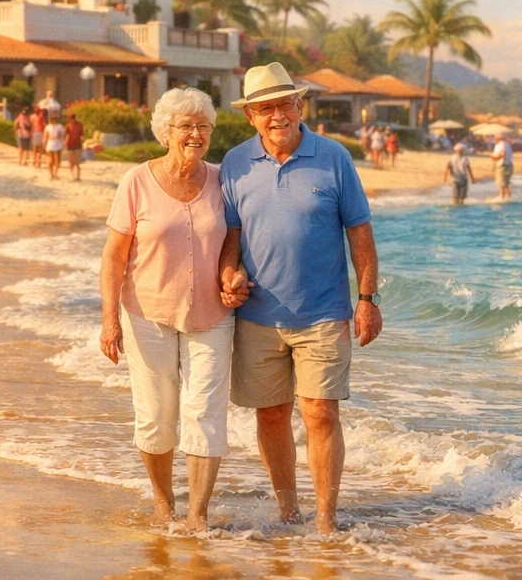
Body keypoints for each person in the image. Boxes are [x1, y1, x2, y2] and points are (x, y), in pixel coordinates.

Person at [219, 63, 381, 534]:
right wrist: (229, 272)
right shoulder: (235, 163)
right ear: (250, 115)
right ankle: (289, 513)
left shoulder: (334, 158)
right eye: (265, 108)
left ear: (299, 106)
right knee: (271, 415)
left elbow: (360, 233)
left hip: (324, 313)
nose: (277, 116)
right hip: (257, 316)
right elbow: (232, 237)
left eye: (284, 104)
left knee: (320, 411)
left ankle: (327, 518)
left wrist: (367, 298)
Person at [99, 87, 240, 531]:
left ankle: (197, 514)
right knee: (158, 416)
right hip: (146, 313)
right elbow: (113, 257)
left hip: (212, 315)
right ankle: (164, 503)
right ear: (166, 132)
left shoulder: (222, 180)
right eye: (186, 126)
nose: (196, 134)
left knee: (205, 413)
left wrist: (230, 272)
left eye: (204, 126)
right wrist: (108, 321)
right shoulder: (136, 182)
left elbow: (233, 238)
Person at [44, 113, 66, 181]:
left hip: (58, 143)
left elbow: (62, 135)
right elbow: (45, 135)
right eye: (52, 119)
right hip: (50, 143)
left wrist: (63, 143)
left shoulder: (60, 126)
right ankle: (51, 174)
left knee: (57, 161)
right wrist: (44, 143)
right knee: (51, 160)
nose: (53, 120)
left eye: (55, 118)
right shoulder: (48, 127)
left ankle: (55, 173)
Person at [490, 135, 514, 199]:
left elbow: (502, 155)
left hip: (501, 166)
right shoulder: (508, 145)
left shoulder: (499, 145)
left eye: (495, 137)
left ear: (497, 138)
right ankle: (510, 199)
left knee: (501, 186)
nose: (494, 138)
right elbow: (510, 155)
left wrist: (492, 157)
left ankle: (501, 200)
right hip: (509, 166)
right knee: (506, 186)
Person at [65, 111, 85, 182]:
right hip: (72, 145)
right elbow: (66, 135)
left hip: (76, 145)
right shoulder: (69, 125)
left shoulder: (77, 125)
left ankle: (76, 176)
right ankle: (74, 176)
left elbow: (81, 135)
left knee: (76, 162)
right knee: (72, 162)